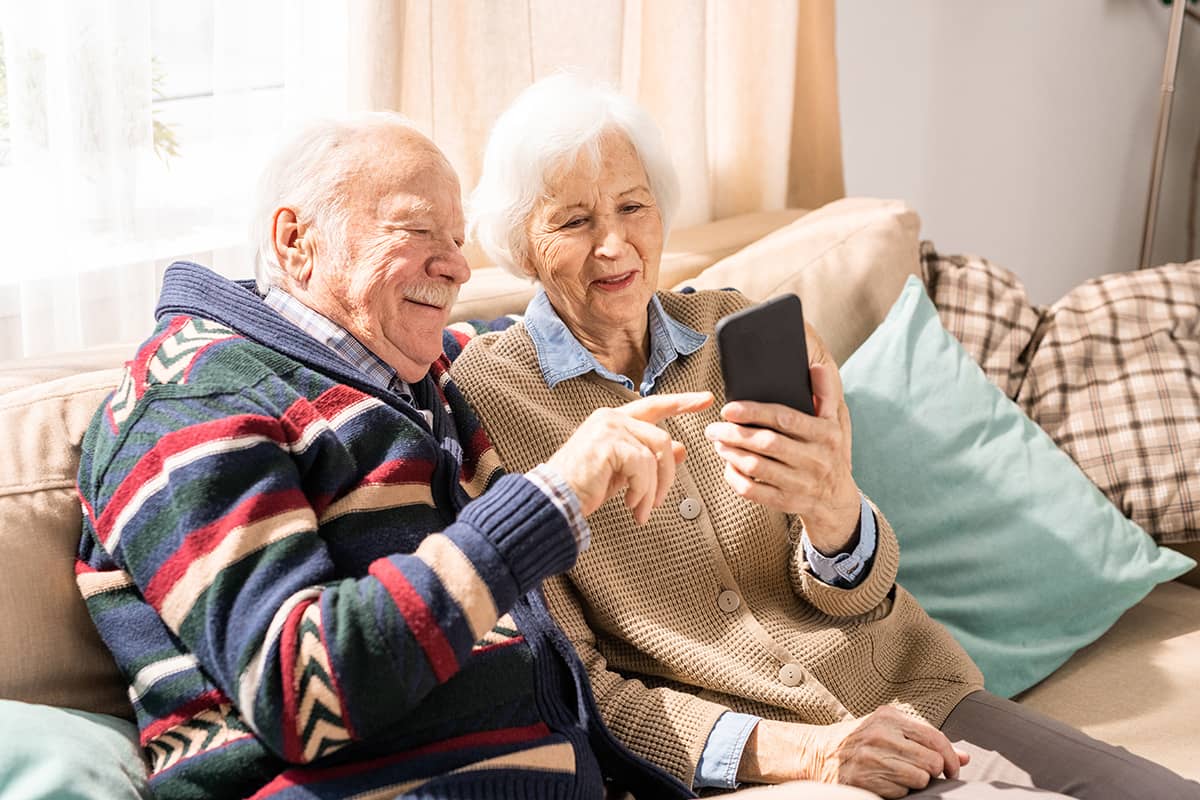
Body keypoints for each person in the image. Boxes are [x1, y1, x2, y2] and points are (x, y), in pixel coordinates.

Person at [73, 113, 872, 800]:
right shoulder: (194, 397)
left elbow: (567, 336)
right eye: (418, 232)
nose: (456, 266)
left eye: (457, 241)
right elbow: (298, 688)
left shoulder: (411, 381)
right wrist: (554, 494)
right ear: (296, 240)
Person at [450, 73, 1200, 800]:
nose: (614, 245)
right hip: (765, 750)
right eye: (575, 221)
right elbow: (576, 685)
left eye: (633, 206)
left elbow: (863, 591)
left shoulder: (732, 327)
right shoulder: (487, 401)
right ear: (521, 240)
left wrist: (834, 509)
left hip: (914, 687)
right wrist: (805, 751)